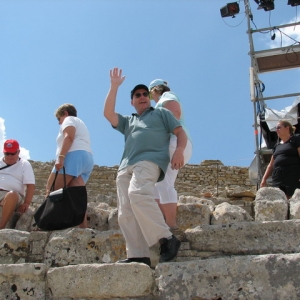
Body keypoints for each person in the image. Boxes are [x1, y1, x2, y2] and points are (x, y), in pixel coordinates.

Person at [103, 68, 187, 266]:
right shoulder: (128, 121)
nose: (142, 96)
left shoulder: (161, 114)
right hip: (125, 167)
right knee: (125, 212)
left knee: (138, 194)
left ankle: (166, 238)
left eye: (145, 94)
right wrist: (114, 87)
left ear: (149, 98)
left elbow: (180, 132)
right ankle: (138, 255)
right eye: (137, 95)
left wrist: (179, 150)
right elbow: (108, 113)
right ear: (132, 101)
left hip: (149, 161)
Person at [148, 79, 193, 229]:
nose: (151, 99)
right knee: (155, 185)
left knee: (163, 182)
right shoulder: (162, 102)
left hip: (175, 141)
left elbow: (175, 111)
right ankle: (161, 224)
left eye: (150, 94)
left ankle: (171, 226)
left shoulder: (167, 96)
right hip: (175, 143)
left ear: (155, 90)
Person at [46, 103, 94, 228]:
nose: (59, 122)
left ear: (65, 113)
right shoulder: (81, 123)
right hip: (87, 158)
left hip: (73, 155)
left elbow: (69, 137)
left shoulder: (69, 119)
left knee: (51, 189)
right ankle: (83, 229)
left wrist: (61, 157)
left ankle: (49, 224)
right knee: (76, 195)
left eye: (59, 118)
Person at [0, 139, 35, 229]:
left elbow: (30, 185)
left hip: (11, 195)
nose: (10, 156)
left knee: (12, 195)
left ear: (18, 152)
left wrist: (26, 203)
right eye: (7, 154)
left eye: (13, 153)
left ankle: (1, 227)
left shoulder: (24, 164)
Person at [260, 120, 300, 199]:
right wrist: (264, 179)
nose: (276, 130)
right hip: (278, 178)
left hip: (293, 176)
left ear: (287, 128)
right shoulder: (276, 146)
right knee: (279, 201)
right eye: (276, 128)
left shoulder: (296, 139)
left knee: (293, 200)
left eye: (278, 127)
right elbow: (270, 165)